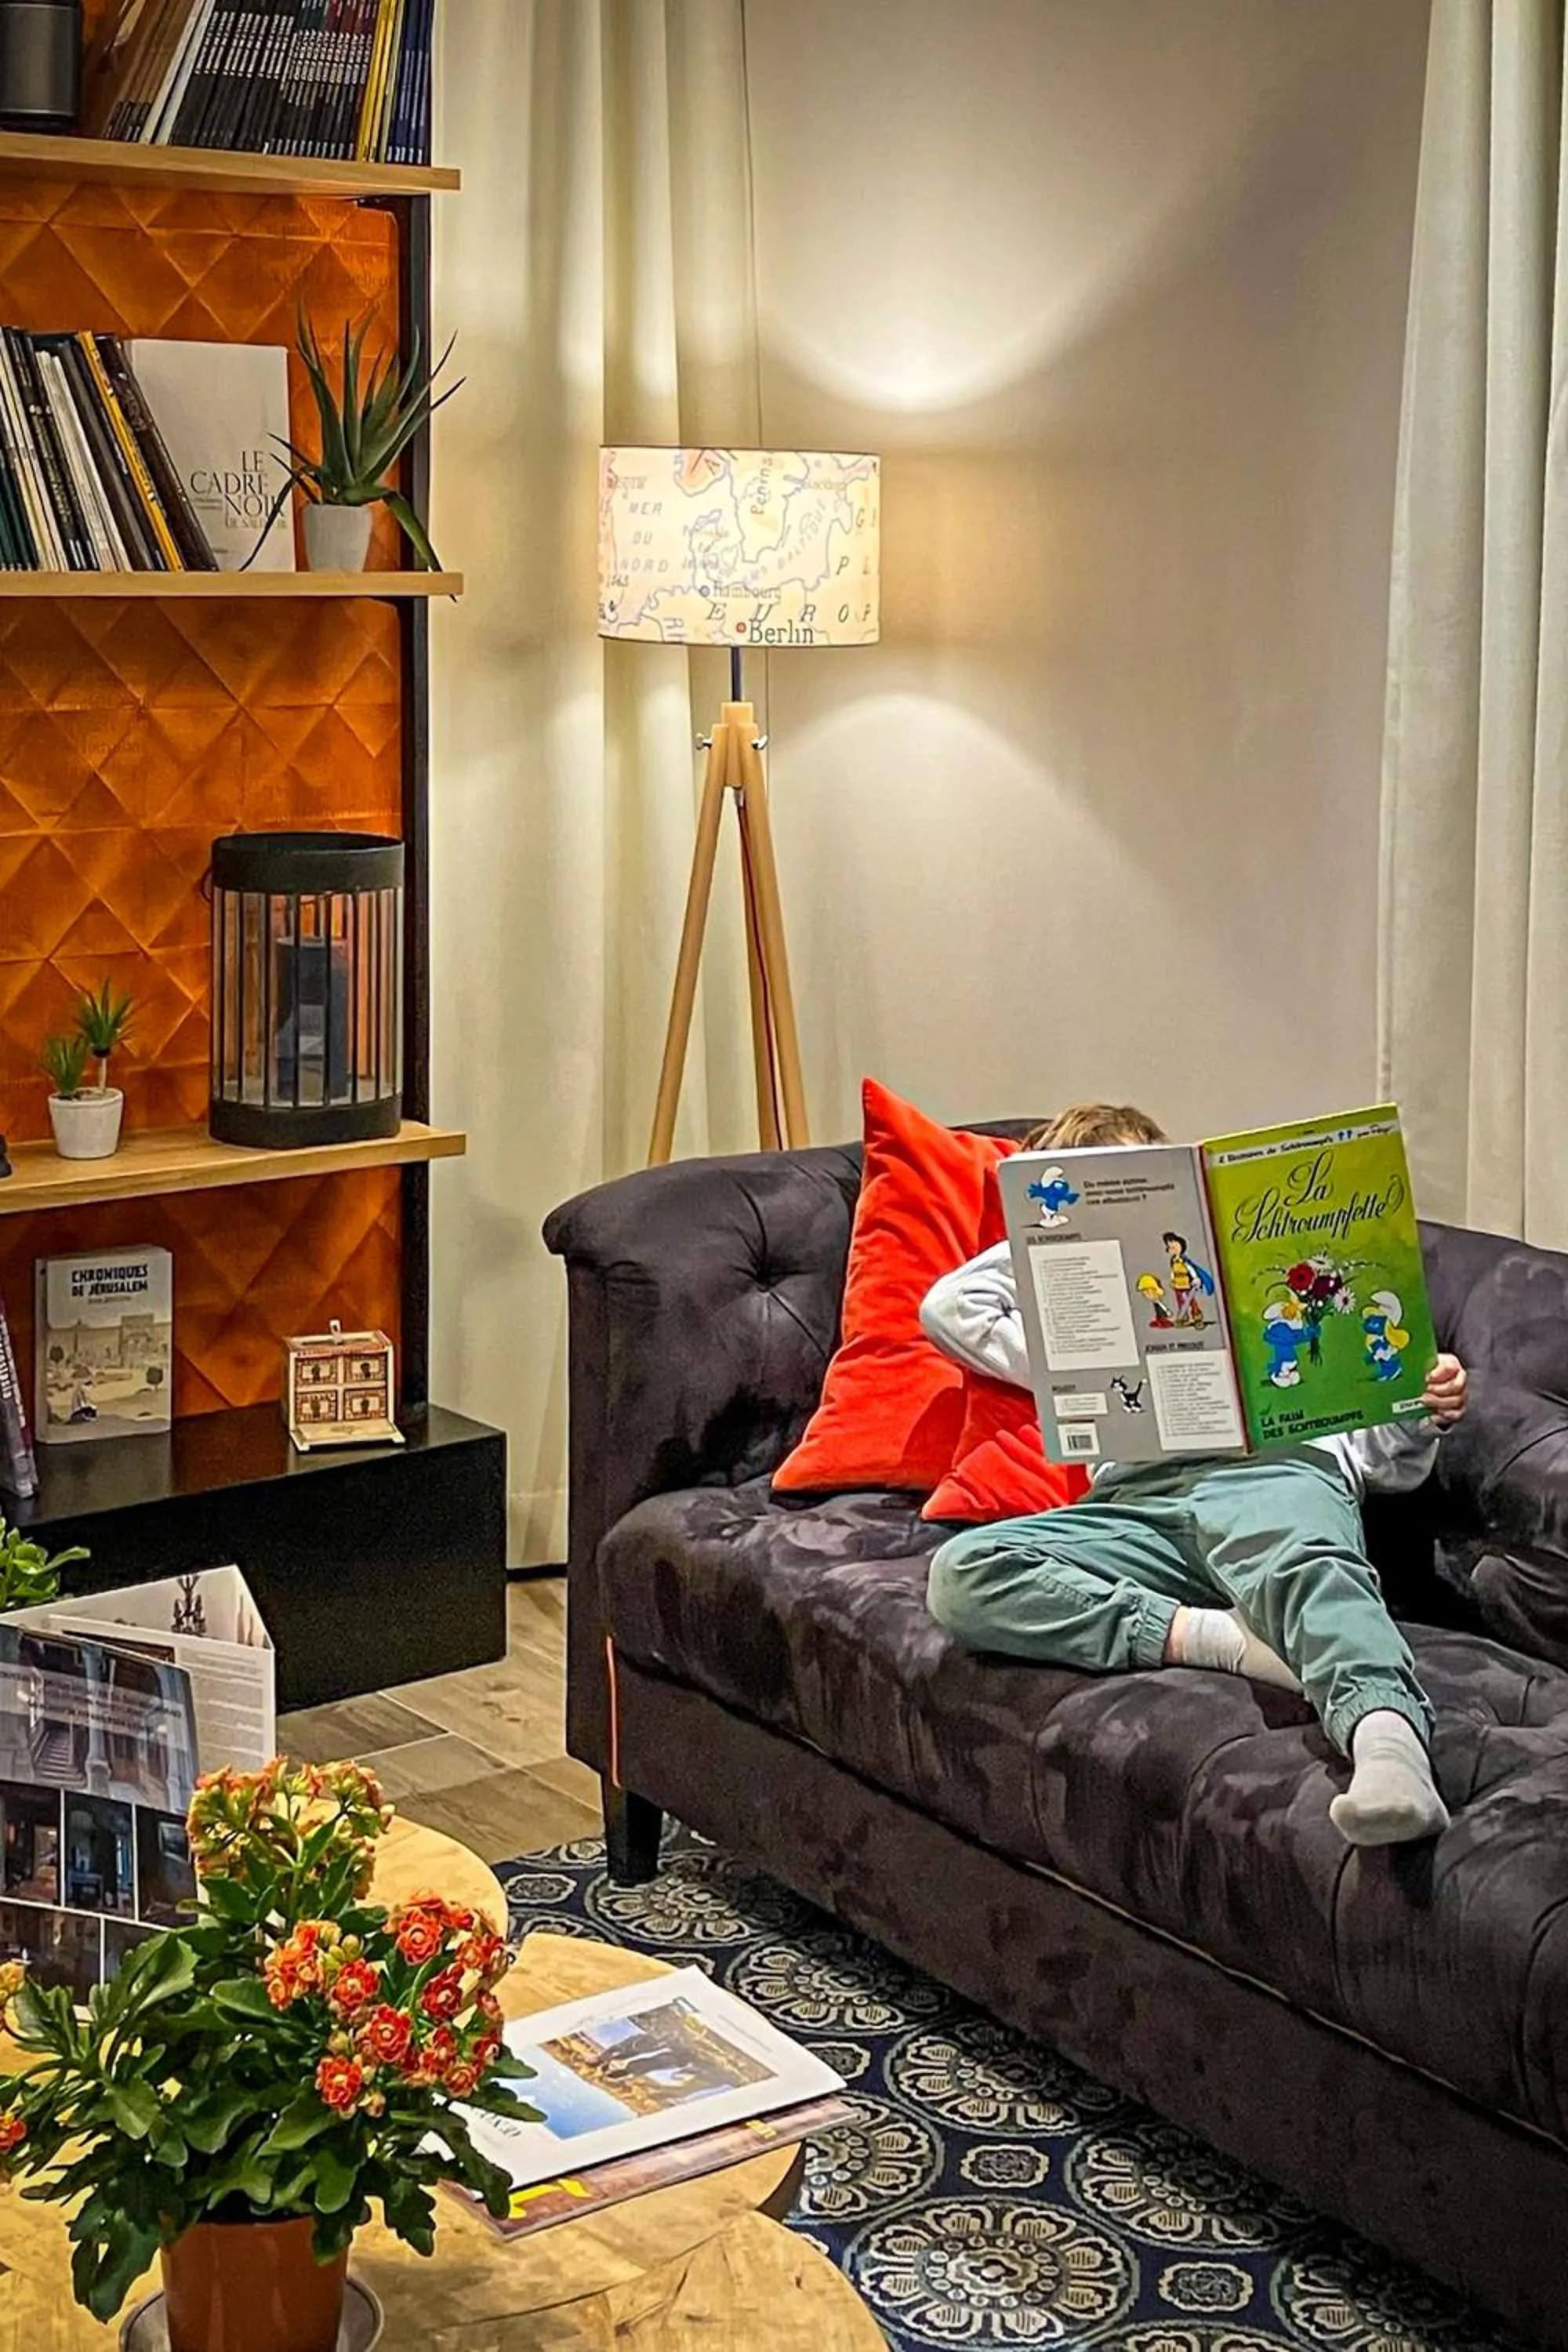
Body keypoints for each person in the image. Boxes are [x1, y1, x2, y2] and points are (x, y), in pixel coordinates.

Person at [920, 1102, 1467, 1847]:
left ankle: (1388, 1747)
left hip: (1271, 1472)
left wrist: (1418, 1406)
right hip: (1135, 1506)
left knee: (1310, 1565)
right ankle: (1229, 1641)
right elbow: (952, 1307)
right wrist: (1057, 1230)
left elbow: (1386, 1464)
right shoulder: (1063, 1343)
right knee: (964, 1571)